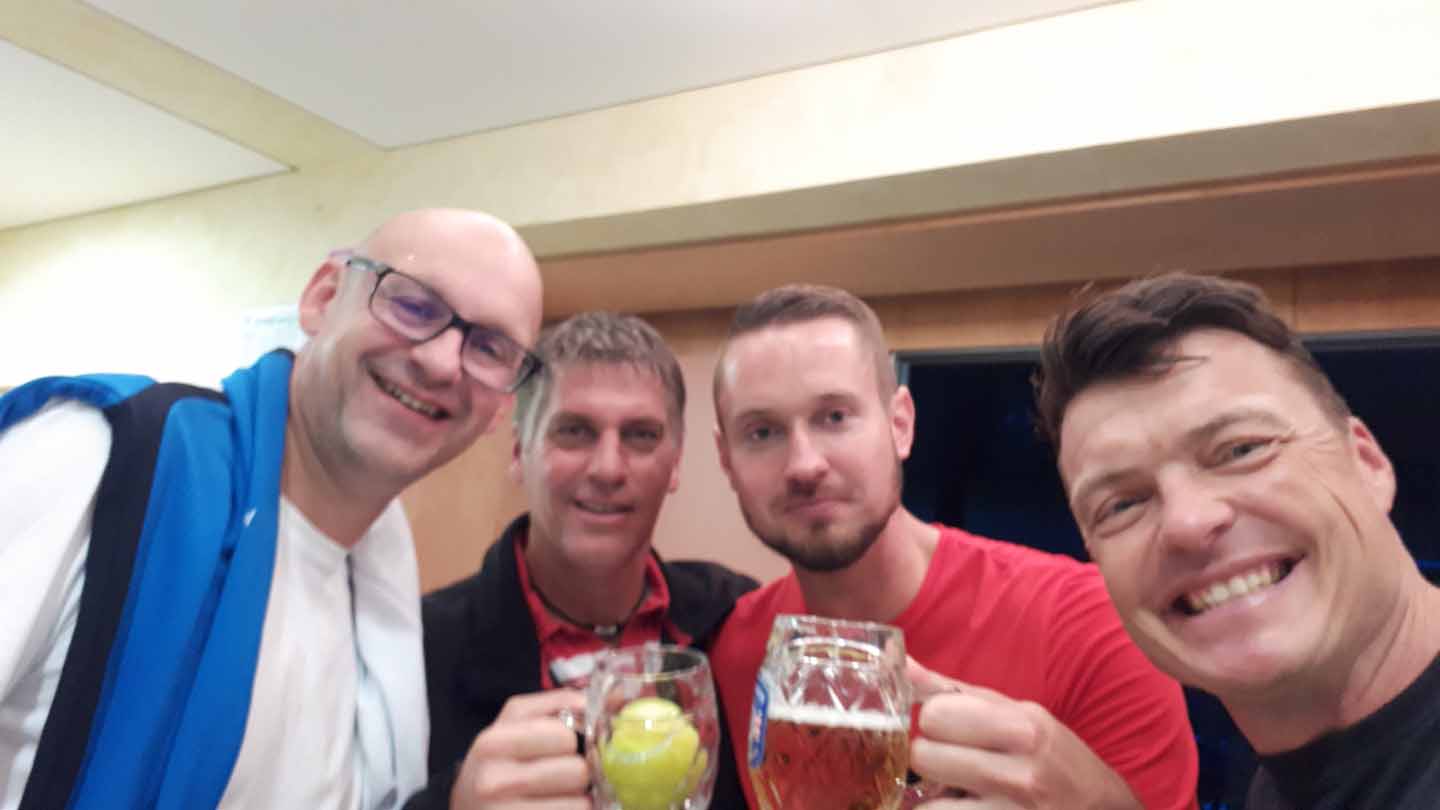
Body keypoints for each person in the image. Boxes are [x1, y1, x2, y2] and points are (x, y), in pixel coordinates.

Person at [0, 208, 543, 810]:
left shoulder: (381, 577)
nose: (441, 362)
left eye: (489, 348)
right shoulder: (95, 457)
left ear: (500, 409)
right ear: (323, 299)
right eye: (413, 306)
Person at [709, 284, 1200, 810]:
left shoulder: (1085, 624)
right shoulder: (735, 649)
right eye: (762, 432)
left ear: (900, 425)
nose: (805, 464)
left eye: (834, 417)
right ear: (726, 460)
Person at [1033, 272, 1440, 809]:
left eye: (1241, 450)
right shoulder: (1280, 783)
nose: (1188, 522)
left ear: (1367, 463)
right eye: (1123, 505)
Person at [406, 312, 758, 810]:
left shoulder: (736, 618)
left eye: (641, 435)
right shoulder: (417, 649)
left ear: (676, 463)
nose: (608, 469)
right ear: (519, 452)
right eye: (574, 431)